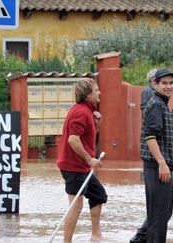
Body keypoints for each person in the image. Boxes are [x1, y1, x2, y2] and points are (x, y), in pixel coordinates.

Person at [56, 78, 108, 243]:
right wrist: (89, 159)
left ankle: (95, 235)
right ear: (87, 95)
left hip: (82, 167)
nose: (99, 92)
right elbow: (73, 139)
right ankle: (67, 241)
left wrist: (98, 125)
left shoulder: (87, 111)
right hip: (74, 167)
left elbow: (86, 138)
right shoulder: (81, 112)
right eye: (96, 90)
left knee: (98, 195)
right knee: (76, 206)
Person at [132, 68, 173, 243]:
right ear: (155, 84)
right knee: (158, 217)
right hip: (157, 168)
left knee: (163, 213)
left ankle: (139, 240)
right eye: (164, 83)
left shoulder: (160, 103)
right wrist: (162, 163)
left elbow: (160, 138)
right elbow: (150, 137)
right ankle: (140, 240)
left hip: (160, 167)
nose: (168, 86)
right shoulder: (156, 104)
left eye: (171, 83)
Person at [130, 68, 157, 243]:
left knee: (157, 207)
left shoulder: (148, 93)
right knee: (158, 208)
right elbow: (150, 126)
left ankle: (142, 237)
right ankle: (141, 237)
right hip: (152, 157)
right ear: (153, 81)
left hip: (151, 155)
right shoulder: (150, 94)